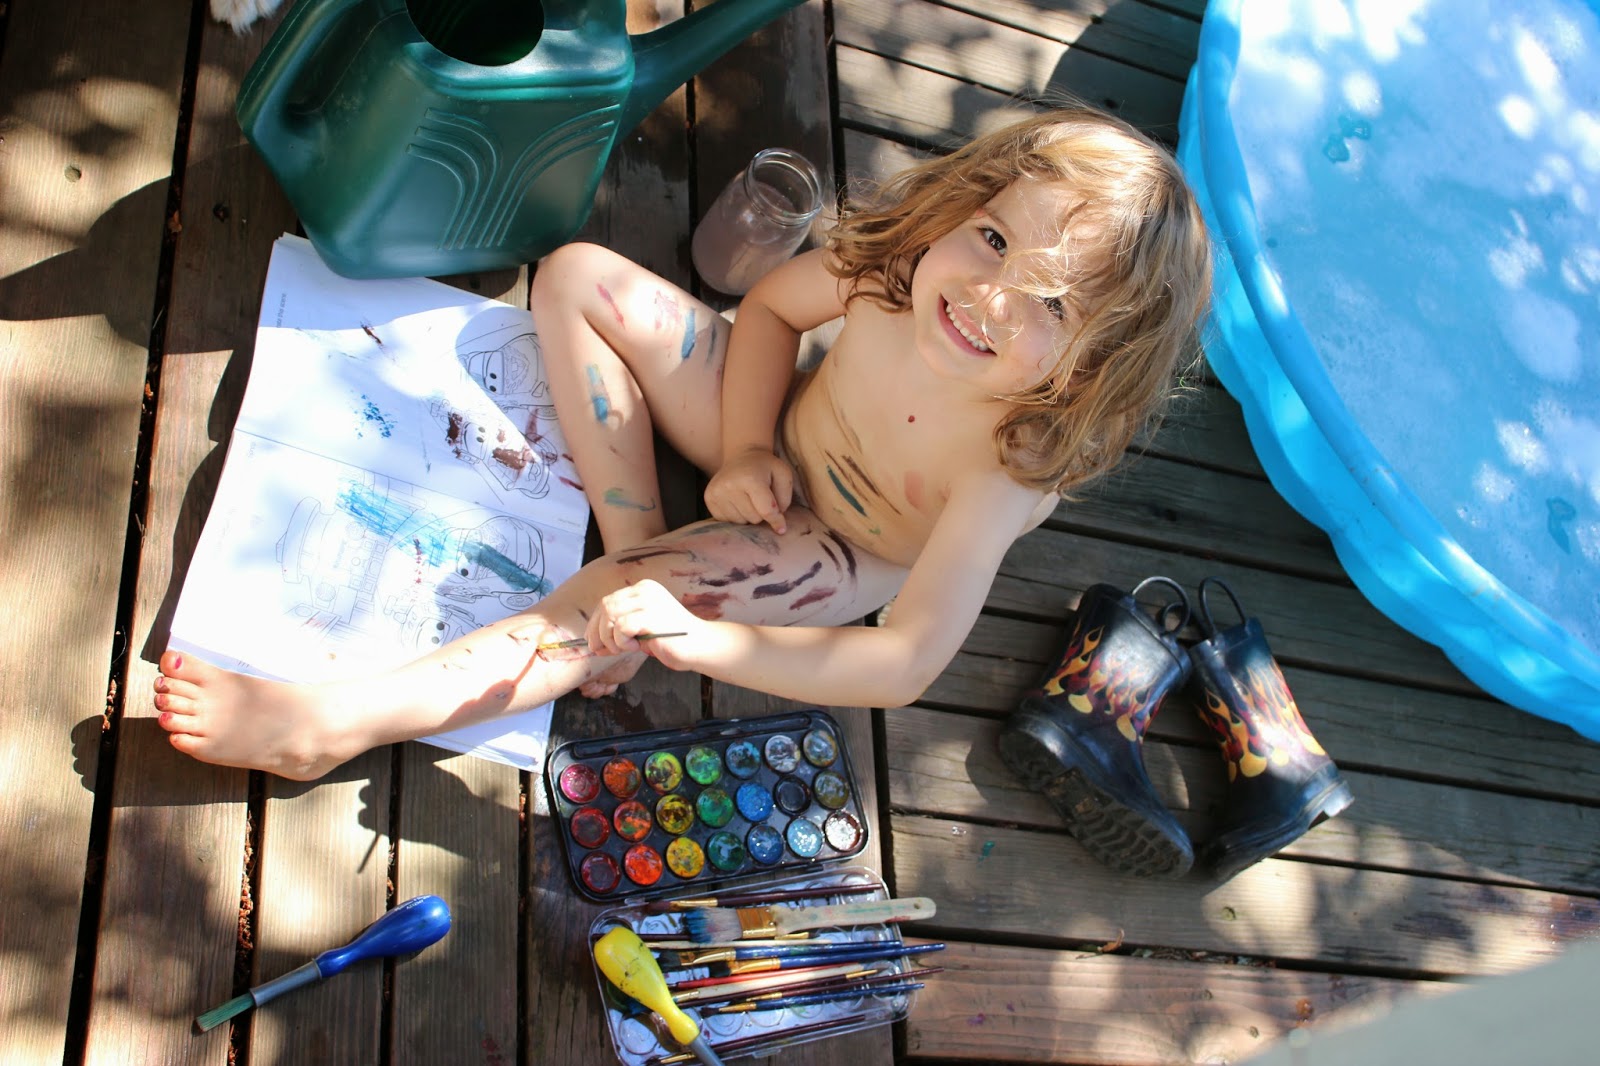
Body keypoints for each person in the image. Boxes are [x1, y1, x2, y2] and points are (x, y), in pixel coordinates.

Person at [151, 106, 1214, 781]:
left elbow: (904, 663)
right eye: (991, 238)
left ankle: (332, 724)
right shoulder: (895, 275)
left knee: (601, 603)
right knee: (575, 274)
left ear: (1098, 360)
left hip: (825, 548)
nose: (987, 298)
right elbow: (772, 313)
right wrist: (746, 448)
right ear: (963, 203)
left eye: (1048, 304)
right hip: (772, 434)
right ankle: (639, 549)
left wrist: (706, 644)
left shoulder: (1009, 460)